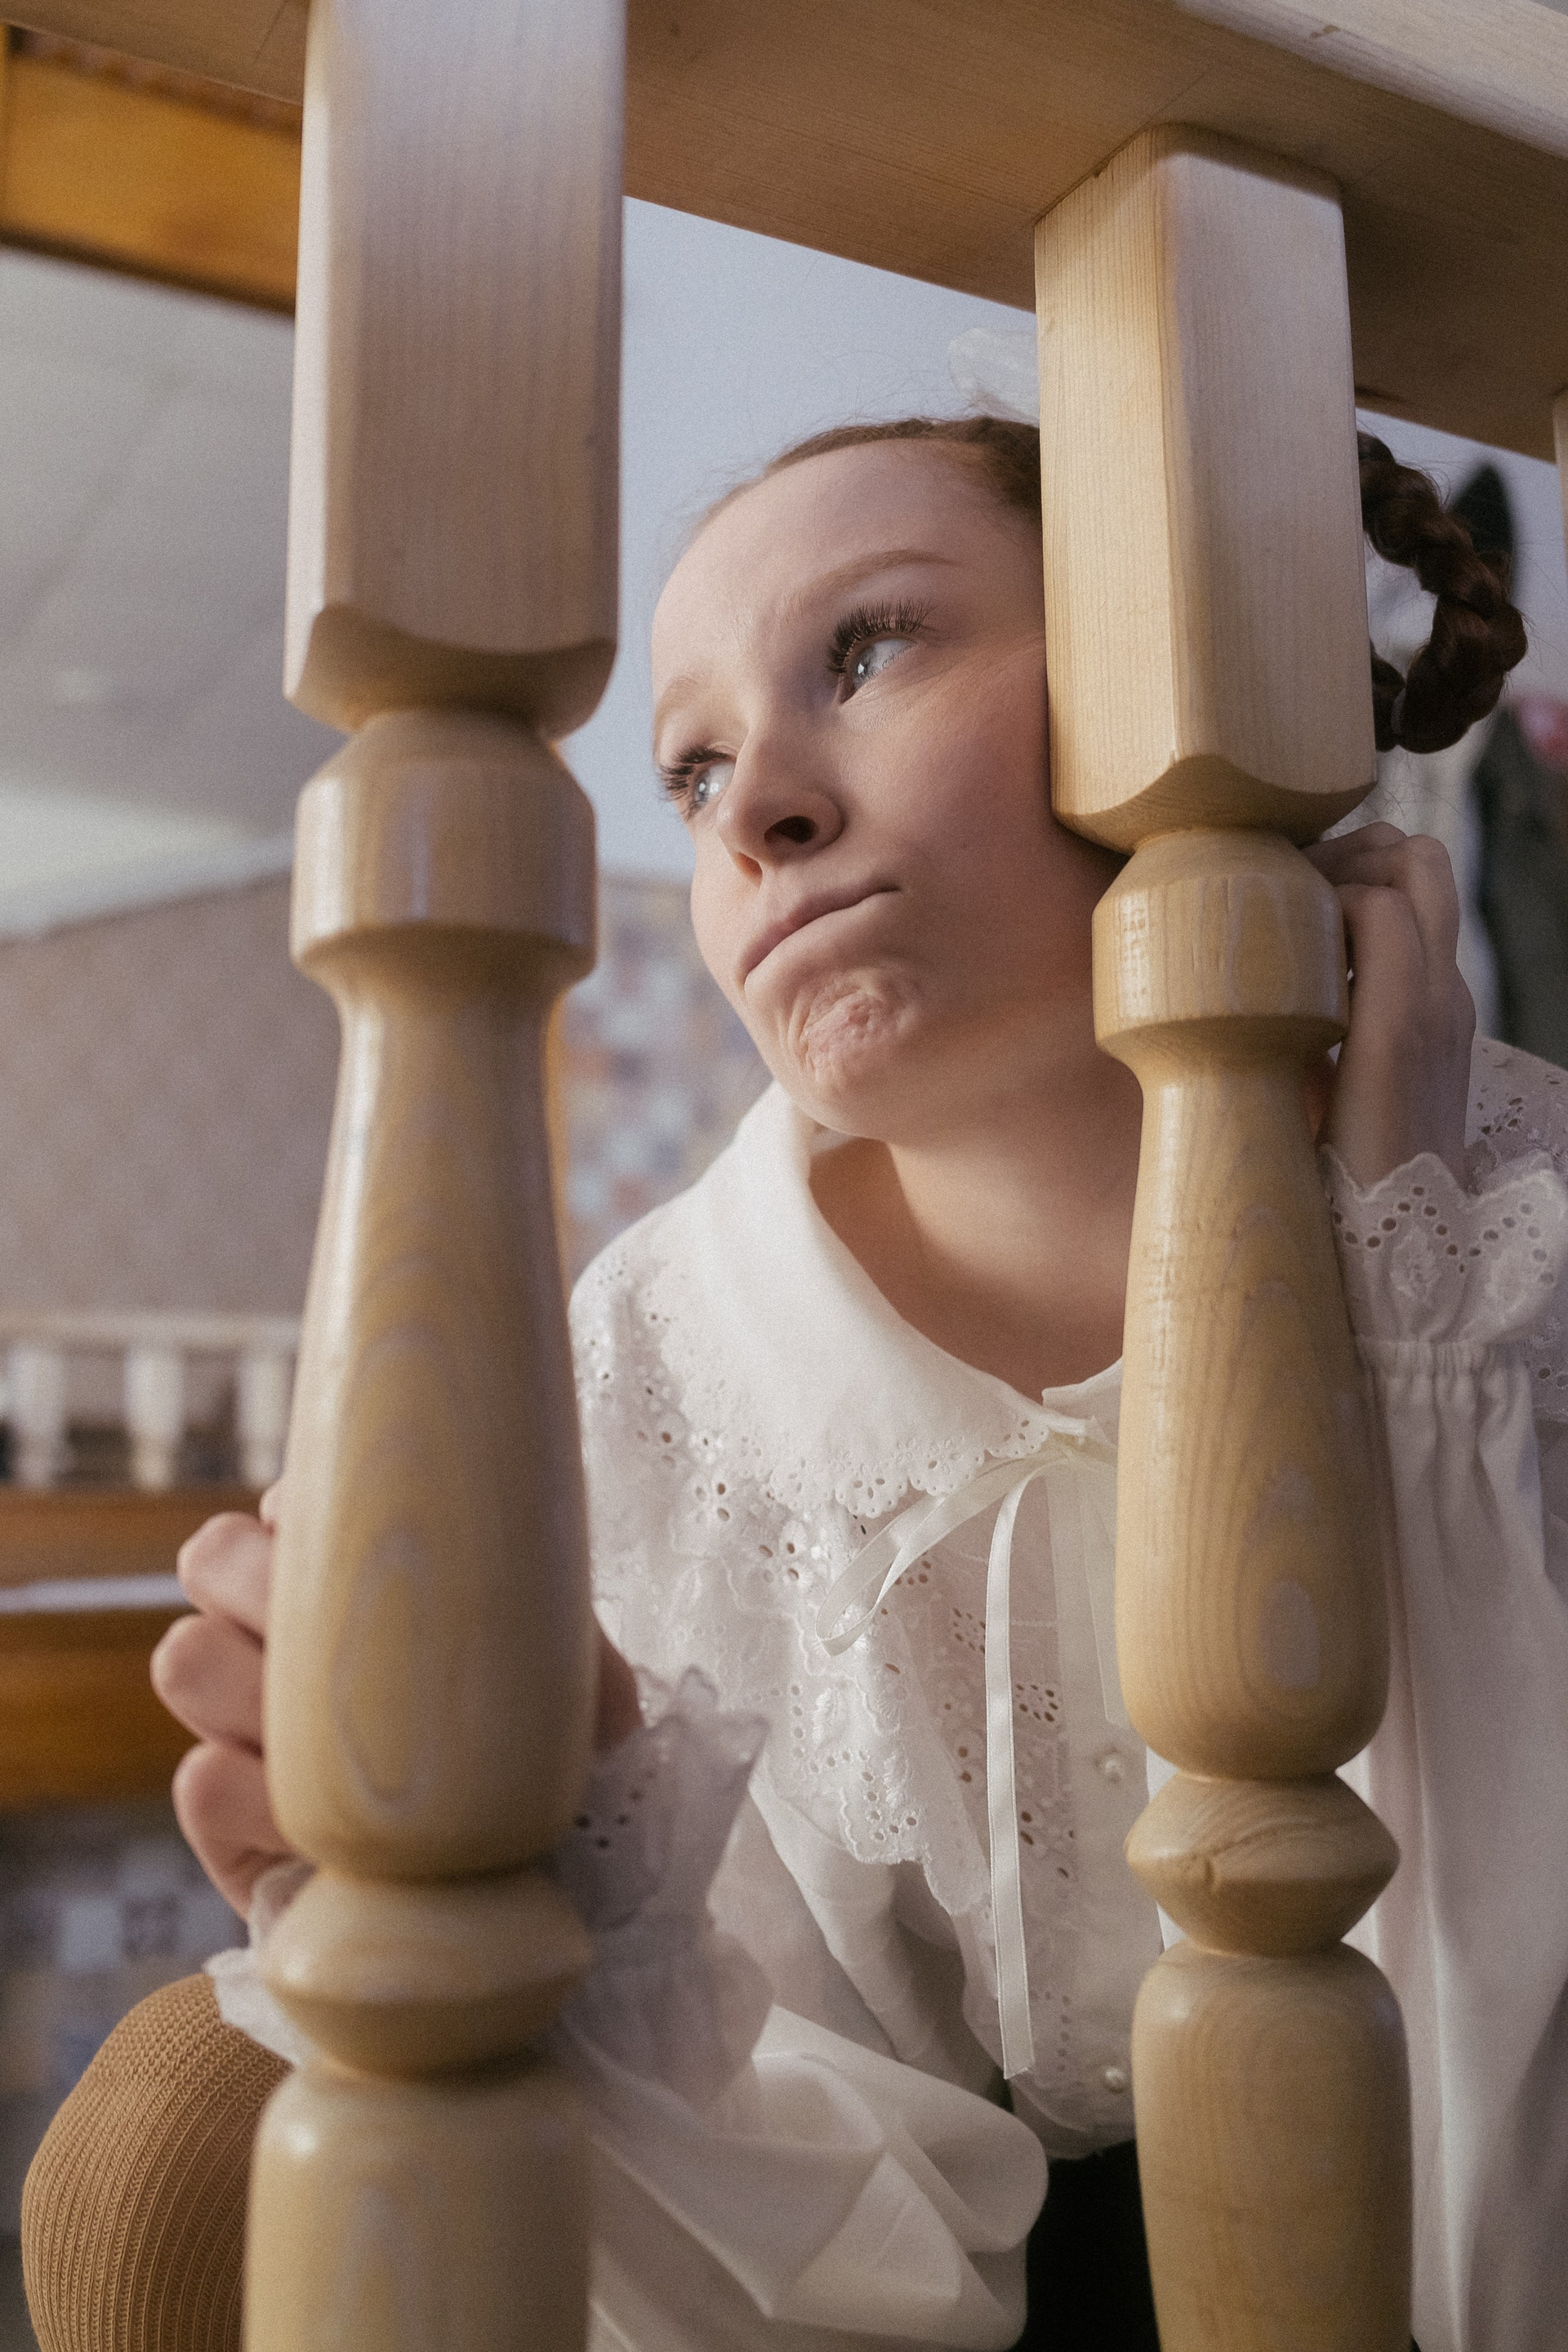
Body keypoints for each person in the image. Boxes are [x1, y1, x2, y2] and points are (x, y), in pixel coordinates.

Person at [29, 416, 1568, 2352]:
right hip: (958, 2270)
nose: (751, 803)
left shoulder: (1513, 1235)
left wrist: (1417, 1349)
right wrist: (588, 1929)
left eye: (869, 649)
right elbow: (835, 2240)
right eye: (688, 769)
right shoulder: (653, 1367)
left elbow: (1506, 2230)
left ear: (1166, 688)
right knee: (176, 2138)